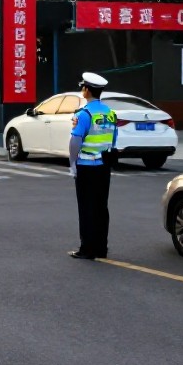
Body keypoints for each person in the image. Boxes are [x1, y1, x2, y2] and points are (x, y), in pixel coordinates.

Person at [68, 72, 117, 260]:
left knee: (86, 208)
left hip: (86, 166)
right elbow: (113, 139)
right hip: (104, 166)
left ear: (87, 90)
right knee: (101, 207)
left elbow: (75, 141)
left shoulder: (84, 114)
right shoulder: (111, 114)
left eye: (83, 87)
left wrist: (72, 163)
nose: (82, 89)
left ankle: (87, 248)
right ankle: (101, 248)